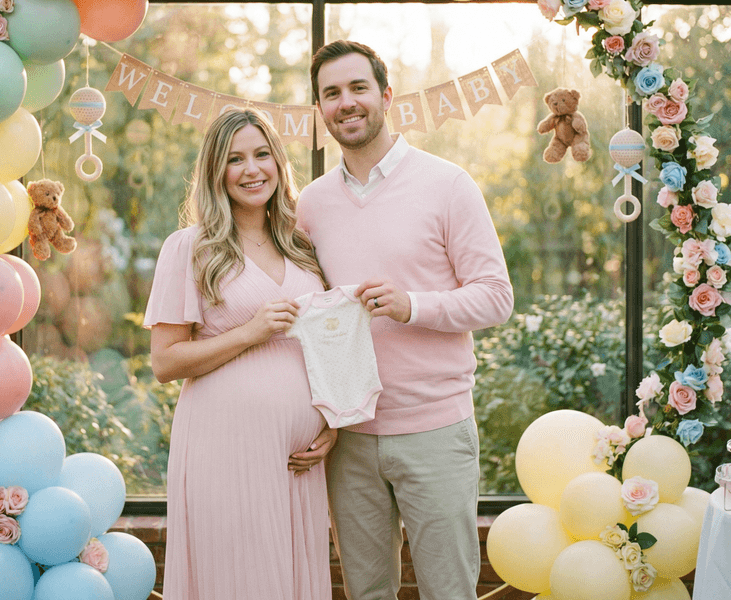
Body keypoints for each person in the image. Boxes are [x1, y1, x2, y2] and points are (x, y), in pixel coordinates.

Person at [297, 40, 515, 600]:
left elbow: (496, 298)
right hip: (349, 437)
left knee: (450, 590)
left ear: (386, 96)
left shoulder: (448, 184)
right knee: (366, 592)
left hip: (435, 432)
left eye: (357, 88)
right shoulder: (312, 204)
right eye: (331, 93)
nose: (345, 102)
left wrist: (412, 305)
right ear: (320, 108)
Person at [145, 107, 336, 600]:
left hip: (298, 461)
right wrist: (248, 334)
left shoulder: (302, 245)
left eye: (261, 154)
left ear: (278, 161)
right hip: (224, 447)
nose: (252, 170)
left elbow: (331, 343)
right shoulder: (190, 247)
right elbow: (165, 361)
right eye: (235, 159)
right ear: (216, 171)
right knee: (237, 577)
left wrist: (333, 423)